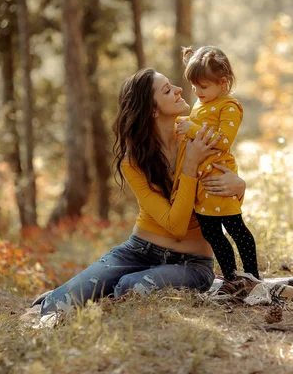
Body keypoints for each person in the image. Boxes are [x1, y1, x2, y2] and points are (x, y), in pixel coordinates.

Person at [35, 68, 247, 316]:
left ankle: (113, 287)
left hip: (192, 262)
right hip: (137, 251)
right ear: (153, 110)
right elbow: (173, 224)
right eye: (167, 90)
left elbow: (220, 195)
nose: (179, 90)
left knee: (129, 287)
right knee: (53, 307)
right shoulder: (134, 161)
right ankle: (76, 291)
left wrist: (239, 186)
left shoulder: (197, 136)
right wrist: (189, 165)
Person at [173, 46, 260, 282]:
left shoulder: (228, 106)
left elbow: (222, 141)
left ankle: (252, 276)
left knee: (235, 228)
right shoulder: (202, 104)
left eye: (203, 87)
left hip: (220, 179)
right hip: (203, 182)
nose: (198, 92)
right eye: (194, 87)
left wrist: (191, 128)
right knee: (212, 233)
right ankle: (232, 278)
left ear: (223, 83)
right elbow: (196, 127)